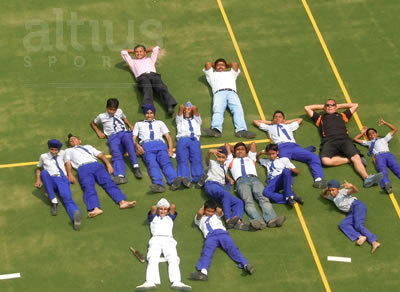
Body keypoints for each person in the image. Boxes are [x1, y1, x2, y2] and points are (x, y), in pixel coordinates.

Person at [304, 99, 383, 187]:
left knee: (356, 157)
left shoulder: (342, 115)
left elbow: (355, 105)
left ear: (336, 106)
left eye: (332, 105)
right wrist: (324, 106)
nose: (330, 106)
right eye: (328, 105)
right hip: (329, 141)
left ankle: (367, 178)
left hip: (344, 139)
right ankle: (349, 160)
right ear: (325, 107)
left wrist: (338, 106)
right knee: (325, 161)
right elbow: (307, 108)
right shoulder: (320, 118)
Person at [64, 134, 136, 218]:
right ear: (69, 144)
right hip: (83, 168)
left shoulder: (88, 146)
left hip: (96, 165)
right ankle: (95, 208)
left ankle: (122, 202)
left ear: (79, 141)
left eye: (75, 139)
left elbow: (100, 155)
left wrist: (108, 165)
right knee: (88, 187)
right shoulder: (67, 151)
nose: (73, 141)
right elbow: (67, 163)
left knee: (109, 183)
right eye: (71, 141)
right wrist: (69, 174)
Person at [254, 110, 327, 188]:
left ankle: (318, 179)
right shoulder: (269, 127)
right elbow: (255, 121)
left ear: (284, 119)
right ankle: (288, 185)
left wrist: (285, 122)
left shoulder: (289, 126)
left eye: (280, 117)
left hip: (294, 146)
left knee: (314, 157)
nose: (277, 118)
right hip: (281, 147)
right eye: (275, 117)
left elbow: (300, 120)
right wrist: (271, 122)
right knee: (283, 165)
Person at [226, 142, 286, 230]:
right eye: (238, 150)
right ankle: (258, 221)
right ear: (234, 152)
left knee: (263, 198)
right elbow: (227, 145)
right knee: (248, 201)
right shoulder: (231, 160)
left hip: (254, 179)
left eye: (242, 149)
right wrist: (235, 151)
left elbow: (253, 144)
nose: (240, 151)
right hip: (241, 181)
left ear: (246, 151)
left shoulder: (251, 158)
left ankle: (272, 219)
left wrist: (243, 150)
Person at [190, 199, 254, 281]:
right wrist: (204, 206)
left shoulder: (216, 215)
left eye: (212, 211)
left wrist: (214, 207)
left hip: (222, 234)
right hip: (210, 237)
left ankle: (245, 265)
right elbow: (199, 213)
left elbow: (219, 210)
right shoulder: (199, 219)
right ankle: (203, 272)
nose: (210, 213)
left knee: (233, 249)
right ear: (204, 210)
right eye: (208, 211)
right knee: (206, 252)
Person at [136, 198, 192, 292]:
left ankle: (176, 282)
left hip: (169, 239)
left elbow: (173, 206)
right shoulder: (153, 217)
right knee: (152, 258)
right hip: (155, 239)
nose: (163, 211)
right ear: (158, 210)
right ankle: (150, 281)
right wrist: (159, 206)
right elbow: (153, 207)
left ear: (168, 210)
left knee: (173, 258)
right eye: (161, 209)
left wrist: (167, 206)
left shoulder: (170, 217)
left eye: (165, 209)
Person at [91, 98, 142, 185]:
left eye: (114, 110)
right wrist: (98, 131)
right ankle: (120, 175)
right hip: (112, 137)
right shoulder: (102, 116)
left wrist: (129, 125)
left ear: (117, 109)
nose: (112, 112)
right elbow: (93, 123)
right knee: (116, 152)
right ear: (106, 108)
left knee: (129, 144)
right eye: (110, 109)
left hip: (123, 133)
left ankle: (135, 166)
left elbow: (124, 118)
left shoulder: (119, 111)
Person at [321, 179, 381, 254]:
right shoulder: (333, 198)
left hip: (357, 205)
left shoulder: (342, 192)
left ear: (338, 189)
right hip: (351, 212)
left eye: (333, 190)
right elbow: (323, 195)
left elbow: (355, 191)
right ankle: (360, 236)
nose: (331, 192)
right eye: (330, 190)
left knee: (358, 225)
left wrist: (352, 186)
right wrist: (327, 189)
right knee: (343, 224)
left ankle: (374, 242)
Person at [133, 104, 183, 193]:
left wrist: (170, 149)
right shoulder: (138, 124)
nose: (149, 115)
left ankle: (174, 181)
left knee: (166, 163)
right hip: (147, 145)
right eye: (147, 113)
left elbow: (168, 137)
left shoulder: (160, 123)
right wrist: (137, 146)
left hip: (160, 144)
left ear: (154, 113)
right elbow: (133, 138)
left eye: (151, 113)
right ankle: (158, 184)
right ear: (144, 114)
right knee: (152, 164)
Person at [202, 58, 256, 138]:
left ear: (226, 67)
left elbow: (235, 64)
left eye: (222, 65)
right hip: (218, 93)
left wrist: (226, 65)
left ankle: (241, 130)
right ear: (215, 67)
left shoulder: (231, 73)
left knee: (238, 111)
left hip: (232, 93)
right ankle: (216, 130)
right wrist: (217, 66)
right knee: (217, 111)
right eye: (218, 65)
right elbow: (208, 63)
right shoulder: (211, 75)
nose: (220, 66)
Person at [34, 139, 81, 230]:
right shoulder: (43, 156)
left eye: (56, 150)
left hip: (62, 179)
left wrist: (69, 174)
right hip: (50, 179)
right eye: (51, 149)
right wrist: (38, 180)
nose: (54, 152)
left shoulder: (63, 153)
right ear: (49, 148)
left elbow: (67, 163)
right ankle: (54, 202)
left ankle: (76, 218)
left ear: (59, 150)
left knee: (67, 199)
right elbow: (38, 168)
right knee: (44, 173)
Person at [121, 44, 177, 115]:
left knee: (161, 87)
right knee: (147, 90)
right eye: (137, 52)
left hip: (153, 75)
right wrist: (134, 51)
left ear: (145, 52)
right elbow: (123, 52)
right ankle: (148, 108)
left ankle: (170, 106)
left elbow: (156, 48)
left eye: (141, 51)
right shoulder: (132, 62)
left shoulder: (150, 59)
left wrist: (145, 51)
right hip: (142, 77)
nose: (139, 53)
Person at [204, 146, 249, 230]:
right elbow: (207, 160)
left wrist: (229, 178)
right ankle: (228, 220)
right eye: (218, 157)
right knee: (226, 194)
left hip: (220, 188)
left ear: (226, 158)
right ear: (216, 156)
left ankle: (237, 220)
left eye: (223, 157)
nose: (220, 159)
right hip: (211, 185)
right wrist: (209, 152)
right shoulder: (212, 163)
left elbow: (224, 172)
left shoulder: (225, 164)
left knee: (238, 202)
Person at [353, 119, 400, 194]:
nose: (372, 135)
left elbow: (394, 129)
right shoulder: (369, 142)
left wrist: (385, 122)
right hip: (379, 157)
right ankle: (387, 185)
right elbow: (355, 139)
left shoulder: (384, 139)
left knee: (396, 167)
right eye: (369, 134)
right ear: (368, 137)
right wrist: (362, 133)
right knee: (382, 171)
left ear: (377, 134)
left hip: (388, 154)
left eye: (373, 133)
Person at [175, 102, 207, 188]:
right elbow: (181, 107)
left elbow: (195, 108)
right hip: (182, 139)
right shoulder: (180, 120)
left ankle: (199, 177)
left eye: (189, 110)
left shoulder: (197, 120)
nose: (186, 111)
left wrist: (190, 107)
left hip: (194, 140)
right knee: (182, 159)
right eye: (185, 110)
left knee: (196, 158)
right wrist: (185, 108)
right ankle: (184, 178)